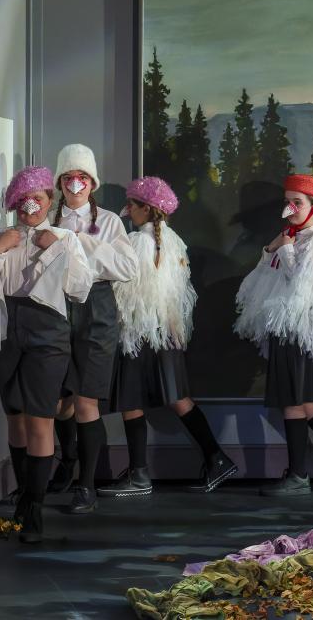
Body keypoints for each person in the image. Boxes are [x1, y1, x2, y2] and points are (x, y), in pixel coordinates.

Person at [0, 165, 92, 542]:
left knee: (40, 420)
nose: (29, 206)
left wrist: (56, 248)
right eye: (22, 200)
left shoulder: (65, 238)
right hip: (6, 330)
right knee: (16, 420)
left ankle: (35, 508)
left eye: (37, 199)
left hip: (48, 332)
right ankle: (24, 494)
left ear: (49, 201)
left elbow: (80, 288)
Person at [99, 176, 237, 497]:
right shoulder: (173, 240)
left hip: (140, 331)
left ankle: (139, 473)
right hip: (166, 331)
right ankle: (216, 458)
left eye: (132, 205)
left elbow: (125, 290)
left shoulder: (137, 242)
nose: (128, 210)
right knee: (177, 398)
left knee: (131, 399)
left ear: (146, 209)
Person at [234, 173, 313, 497]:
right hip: (285, 327)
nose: (290, 208)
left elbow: (301, 285)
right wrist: (273, 247)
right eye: (287, 201)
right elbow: (265, 276)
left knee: (293, 402)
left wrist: (285, 249)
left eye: (298, 202)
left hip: (297, 328)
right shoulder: (292, 236)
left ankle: (299, 475)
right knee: (303, 401)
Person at [49, 144, 138, 513]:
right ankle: (68, 458)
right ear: (59, 182)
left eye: (82, 177)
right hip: (55, 307)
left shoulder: (110, 222)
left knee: (86, 401)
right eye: (69, 177)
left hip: (97, 311)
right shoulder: (49, 218)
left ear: (92, 182)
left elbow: (127, 268)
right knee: (59, 404)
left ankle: (85, 486)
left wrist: (83, 242)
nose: (76, 184)